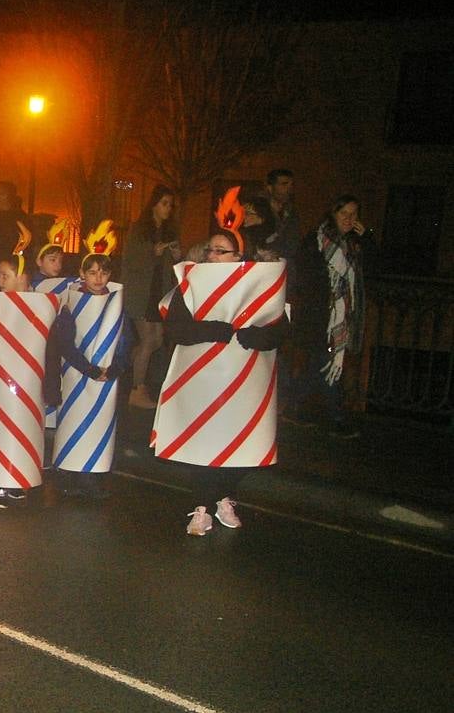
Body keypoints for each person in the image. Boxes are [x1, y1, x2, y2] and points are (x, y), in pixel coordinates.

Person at [155, 219, 289, 535]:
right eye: (210, 250)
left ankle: (222, 496)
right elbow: (175, 328)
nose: (213, 256)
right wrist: (211, 330)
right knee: (203, 444)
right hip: (200, 380)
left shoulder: (260, 282)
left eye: (222, 251)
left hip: (245, 383)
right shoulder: (191, 283)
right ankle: (202, 509)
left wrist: (261, 337)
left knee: (245, 446)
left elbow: (282, 327)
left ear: (238, 255)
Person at [0, 231, 60, 510]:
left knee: (24, 431)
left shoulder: (42, 308)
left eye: (5, 275)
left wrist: (51, 387)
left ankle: (20, 481)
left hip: (27, 388)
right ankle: (0, 479)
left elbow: (51, 350)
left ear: (23, 278)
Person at [49, 222, 129, 499]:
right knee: (74, 420)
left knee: (99, 426)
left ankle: (91, 476)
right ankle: (68, 472)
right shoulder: (71, 302)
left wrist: (115, 367)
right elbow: (65, 343)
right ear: (82, 274)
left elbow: (124, 339)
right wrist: (88, 369)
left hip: (106, 376)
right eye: (92, 272)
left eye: (103, 272)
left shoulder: (116, 301)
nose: (98, 278)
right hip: (77, 373)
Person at [294, 194, 374, 437]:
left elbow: (375, 268)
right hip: (321, 317)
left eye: (354, 214)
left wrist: (367, 239)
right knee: (328, 364)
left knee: (320, 366)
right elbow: (307, 276)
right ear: (333, 213)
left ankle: (292, 405)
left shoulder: (354, 244)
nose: (349, 219)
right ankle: (336, 418)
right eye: (344, 213)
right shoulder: (317, 240)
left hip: (341, 318)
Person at [123, 186, 180, 409]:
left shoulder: (167, 230)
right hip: (141, 292)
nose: (168, 208)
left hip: (159, 291)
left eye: (170, 204)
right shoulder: (139, 229)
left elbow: (170, 266)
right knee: (148, 340)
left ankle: (129, 369)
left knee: (156, 340)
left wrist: (175, 255)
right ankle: (137, 390)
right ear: (154, 204)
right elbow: (131, 261)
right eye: (164, 203)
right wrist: (152, 253)